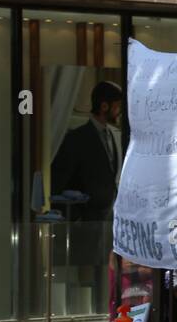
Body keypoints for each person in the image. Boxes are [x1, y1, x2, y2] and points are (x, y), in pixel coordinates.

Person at [52, 79, 125, 271]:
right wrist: (77, 217)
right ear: (104, 106)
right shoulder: (77, 138)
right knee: (85, 274)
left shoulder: (113, 135)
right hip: (84, 226)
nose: (119, 112)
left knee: (103, 272)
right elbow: (59, 181)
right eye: (117, 106)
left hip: (107, 224)